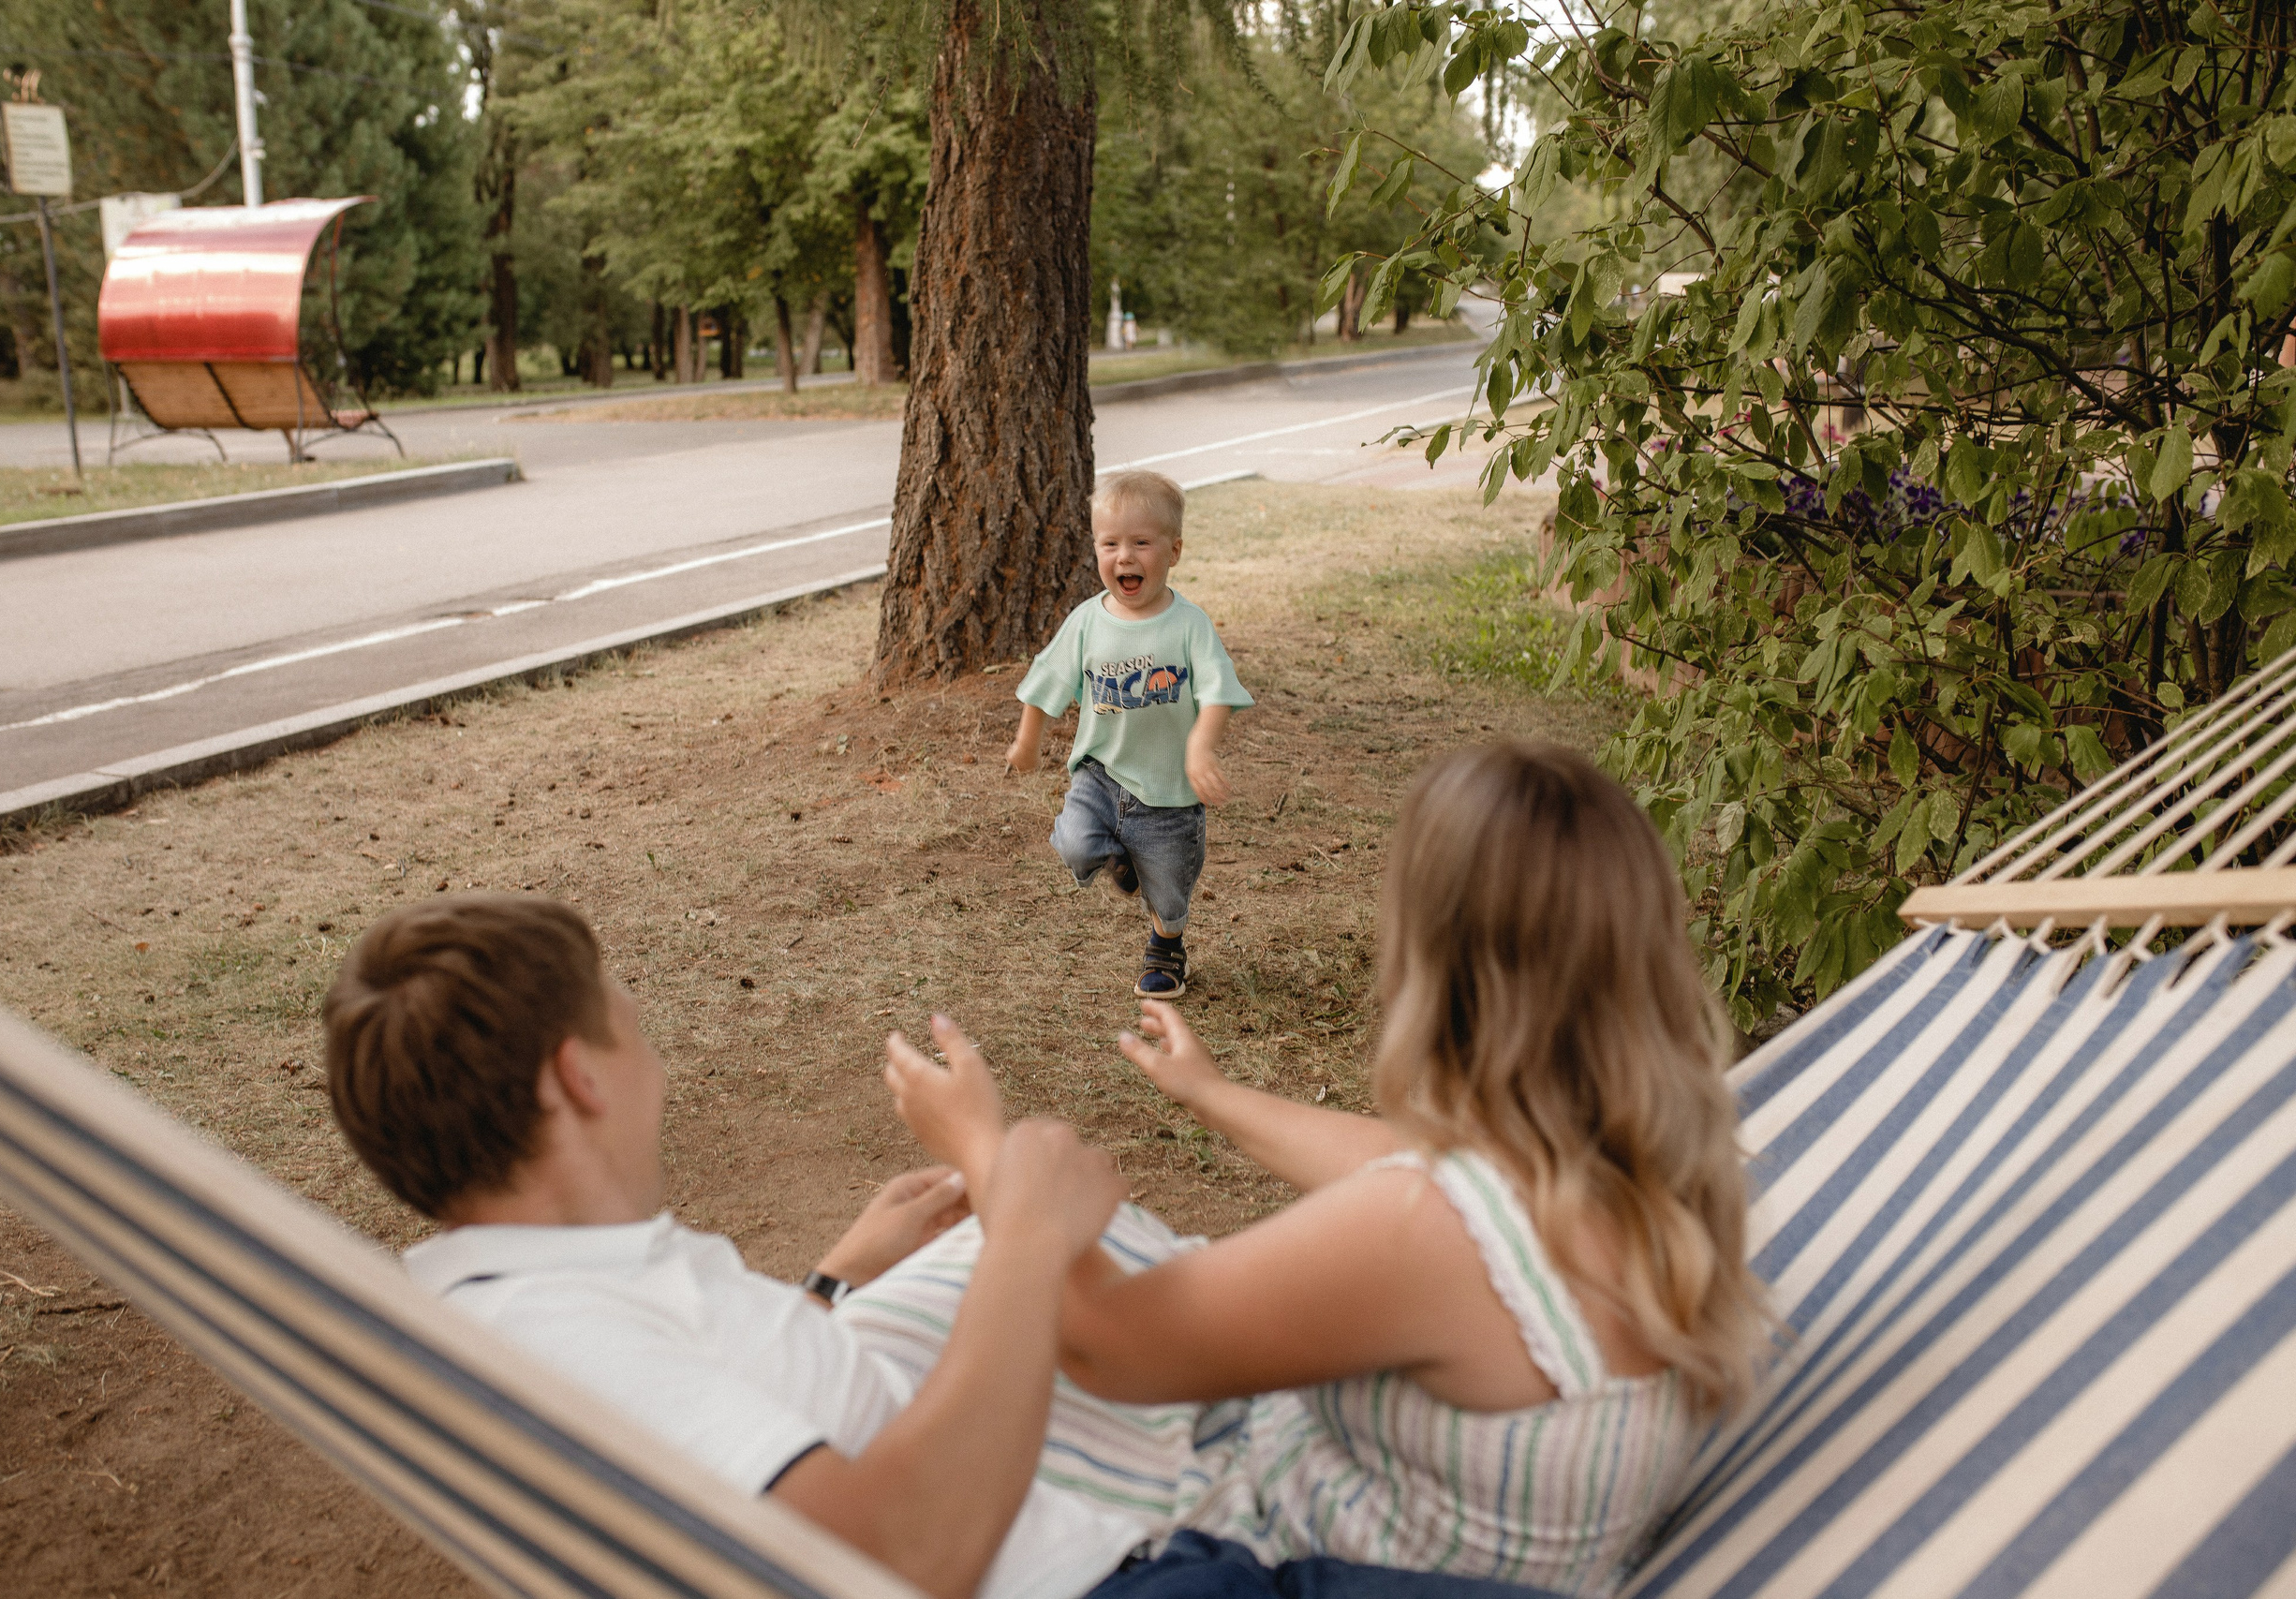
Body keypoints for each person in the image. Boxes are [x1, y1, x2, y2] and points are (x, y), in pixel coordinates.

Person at [882, 743, 1771, 1596]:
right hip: (1429, 1534)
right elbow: (1414, 1168)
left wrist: (982, 1151)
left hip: (1249, 1548)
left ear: (1438, 958)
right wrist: (1212, 1094)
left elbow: (1101, 1344)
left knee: (927, 1335)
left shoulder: (1431, 1235)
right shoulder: (1659, 1172)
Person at [319, 894, 1148, 1599]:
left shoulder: (513, 1300)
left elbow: (707, 1414)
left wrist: (836, 1276)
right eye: (633, 1031)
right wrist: (1028, 1239)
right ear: (580, 1077)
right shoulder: (564, 1347)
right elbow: (896, 1560)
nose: (659, 1069)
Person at [1006, 468, 1253, 1000]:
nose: (1125, 557)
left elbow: (1217, 691)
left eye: (1142, 543)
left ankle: (1166, 946)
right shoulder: (1086, 623)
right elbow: (1044, 681)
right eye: (1110, 543)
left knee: (1169, 890)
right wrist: (1026, 745)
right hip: (1102, 775)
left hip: (1170, 794)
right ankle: (1118, 859)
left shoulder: (1189, 626)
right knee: (1074, 844)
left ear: (1174, 550)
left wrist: (1200, 746)